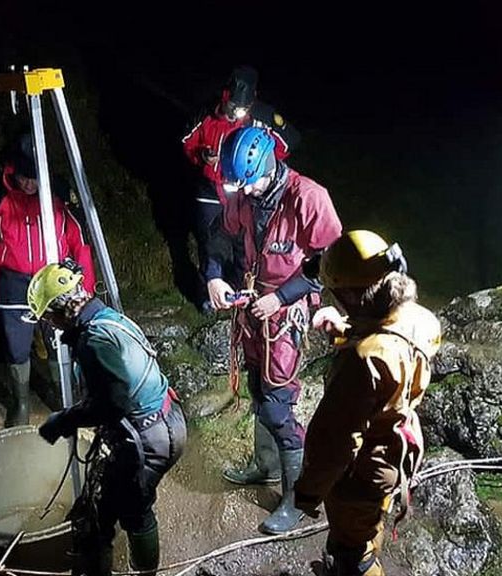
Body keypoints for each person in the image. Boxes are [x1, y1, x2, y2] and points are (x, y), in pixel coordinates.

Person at [207, 125, 342, 535]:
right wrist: (214, 275)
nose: (245, 193)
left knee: (277, 403)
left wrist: (282, 298)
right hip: (252, 303)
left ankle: (298, 499)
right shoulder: (242, 192)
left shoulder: (308, 198)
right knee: (255, 387)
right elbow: (218, 236)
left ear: (270, 166)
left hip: (286, 311)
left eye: (252, 183)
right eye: (239, 186)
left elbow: (332, 263)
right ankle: (265, 466)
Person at [293, 230, 442, 576]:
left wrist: (307, 494)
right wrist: (347, 328)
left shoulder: (363, 361)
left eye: (337, 293)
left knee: (351, 552)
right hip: (397, 453)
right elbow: (389, 341)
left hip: (363, 470)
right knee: (369, 525)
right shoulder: (417, 318)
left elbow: (335, 441)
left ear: (350, 293)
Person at [29, 261, 186, 576]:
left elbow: (112, 405)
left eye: (48, 317)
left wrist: (64, 420)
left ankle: (126, 570)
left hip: (149, 437)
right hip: (166, 421)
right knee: (124, 502)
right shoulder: (106, 317)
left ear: (60, 312)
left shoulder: (95, 341)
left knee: (115, 514)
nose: (50, 325)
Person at [0, 134, 95, 426]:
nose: (29, 184)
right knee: (17, 347)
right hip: (12, 284)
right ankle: (21, 402)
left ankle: (65, 399)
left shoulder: (60, 190)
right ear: (13, 169)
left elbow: (80, 241)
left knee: (59, 341)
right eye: (24, 177)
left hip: (54, 281)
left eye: (35, 178)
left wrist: (86, 287)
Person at [182, 66, 300, 314]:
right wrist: (202, 155)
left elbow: (289, 142)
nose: (236, 113)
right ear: (225, 97)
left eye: (241, 108)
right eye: (232, 106)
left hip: (245, 192)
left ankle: (239, 290)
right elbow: (187, 142)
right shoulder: (206, 113)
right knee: (209, 239)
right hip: (211, 189)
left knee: (243, 243)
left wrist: (263, 163)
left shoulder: (263, 116)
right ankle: (209, 292)